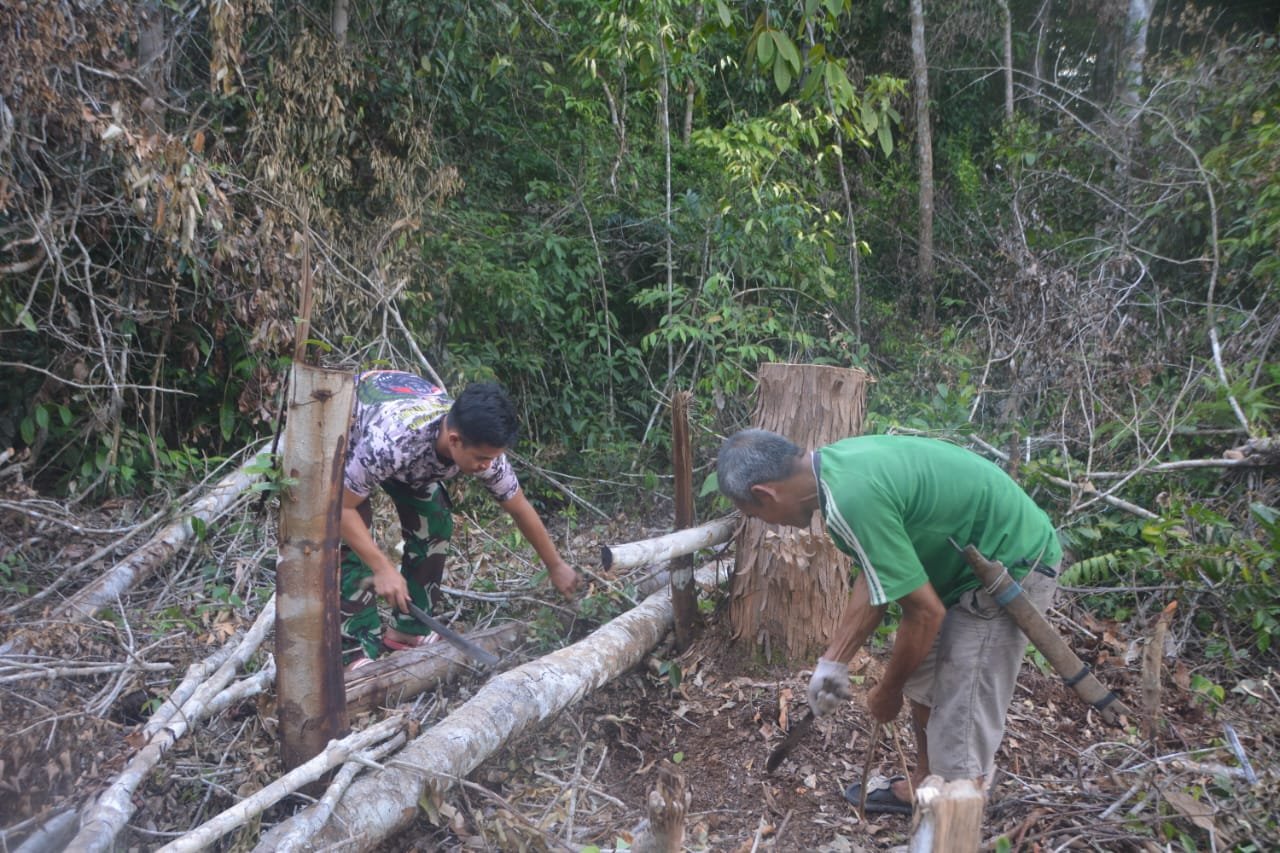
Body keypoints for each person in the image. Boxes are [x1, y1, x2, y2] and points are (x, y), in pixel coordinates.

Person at [716, 428, 1061, 814]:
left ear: (766, 493)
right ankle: (925, 785)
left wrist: (887, 690)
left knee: (963, 709)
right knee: (923, 679)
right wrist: (833, 663)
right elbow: (874, 572)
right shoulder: (834, 472)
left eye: (756, 514)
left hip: (1011, 566)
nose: (769, 524)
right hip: (961, 571)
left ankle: (953, 812)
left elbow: (925, 612)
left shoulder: (850, 497)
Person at [340, 369, 580, 670]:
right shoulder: (392, 442)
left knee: (435, 519)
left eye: (492, 459)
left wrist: (555, 565)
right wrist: (383, 567)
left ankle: (406, 631)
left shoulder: (482, 451)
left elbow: (518, 507)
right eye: (481, 458)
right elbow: (343, 510)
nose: (486, 466)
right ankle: (355, 647)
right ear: (454, 440)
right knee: (351, 540)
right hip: (351, 431)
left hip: (409, 448)